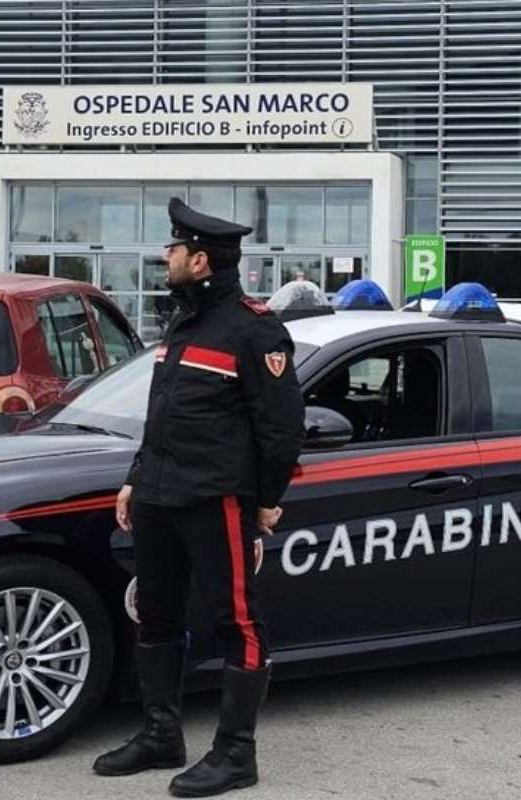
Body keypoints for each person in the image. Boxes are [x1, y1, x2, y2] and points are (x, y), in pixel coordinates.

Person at [93, 198, 305, 797]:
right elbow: (163, 413)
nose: (166, 255)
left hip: (216, 496)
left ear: (201, 259)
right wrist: (137, 475)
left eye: (174, 248)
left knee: (237, 620)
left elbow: (282, 429)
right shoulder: (184, 321)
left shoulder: (254, 329)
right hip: (160, 494)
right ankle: (161, 734)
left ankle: (236, 753)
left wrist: (266, 500)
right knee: (155, 613)